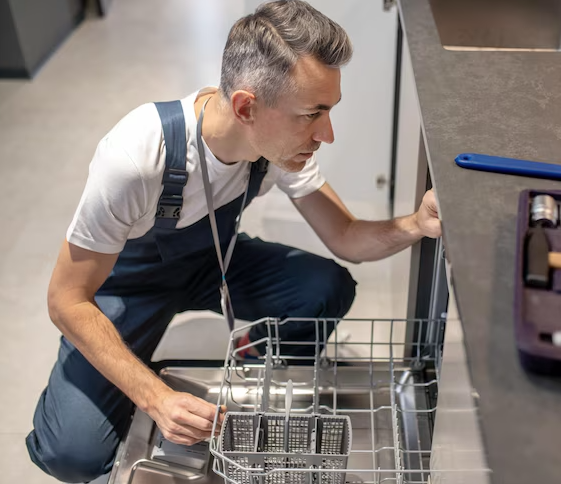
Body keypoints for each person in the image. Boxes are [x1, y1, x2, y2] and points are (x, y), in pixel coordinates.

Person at [25, 1, 441, 482]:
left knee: (324, 287)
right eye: (312, 114)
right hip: (129, 285)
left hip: (213, 261)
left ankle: (249, 361)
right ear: (246, 107)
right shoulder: (136, 158)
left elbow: (346, 237)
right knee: (71, 453)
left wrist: (416, 224)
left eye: (329, 111)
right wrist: (155, 397)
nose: (326, 134)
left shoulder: (276, 148)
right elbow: (66, 299)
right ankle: (131, 381)